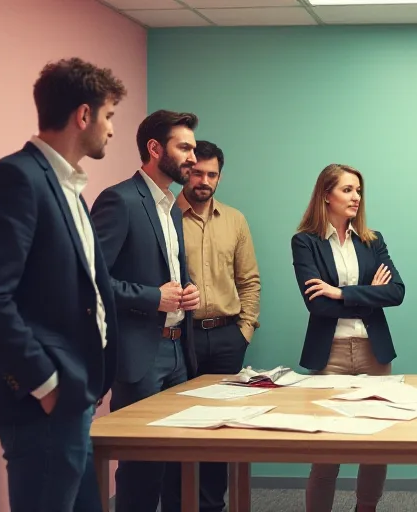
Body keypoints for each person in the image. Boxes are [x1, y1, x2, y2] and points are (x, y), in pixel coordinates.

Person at [0, 57, 125, 512]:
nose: (111, 130)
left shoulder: (69, 187)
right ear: (83, 115)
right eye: (108, 116)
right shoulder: (16, 179)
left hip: (77, 399)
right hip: (44, 403)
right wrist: (47, 385)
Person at [90, 109, 202, 512]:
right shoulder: (119, 200)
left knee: (176, 464)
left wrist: (186, 292)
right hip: (140, 354)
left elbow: (168, 272)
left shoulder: (171, 205)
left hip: (177, 350)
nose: (193, 156)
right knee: (140, 469)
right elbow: (91, 282)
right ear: (155, 149)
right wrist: (153, 298)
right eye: (184, 147)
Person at [290, 164, 405, 512]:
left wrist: (341, 294)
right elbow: (317, 306)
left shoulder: (373, 241)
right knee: (327, 451)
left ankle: (365, 508)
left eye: (358, 190)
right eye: (347, 190)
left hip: (374, 352)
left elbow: (397, 292)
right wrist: (369, 294)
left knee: (375, 447)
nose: (356, 197)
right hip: (331, 357)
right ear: (326, 195)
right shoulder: (305, 242)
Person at [175, 139, 261, 512]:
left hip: (227, 336)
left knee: (219, 428)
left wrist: (244, 332)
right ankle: (178, 504)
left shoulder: (235, 220)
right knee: (176, 425)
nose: (204, 181)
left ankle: (211, 506)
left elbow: (250, 281)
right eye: (197, 172)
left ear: (219, 177)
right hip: (181, 337)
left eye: (211, 174)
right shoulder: (165, 216)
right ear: (185, 171)